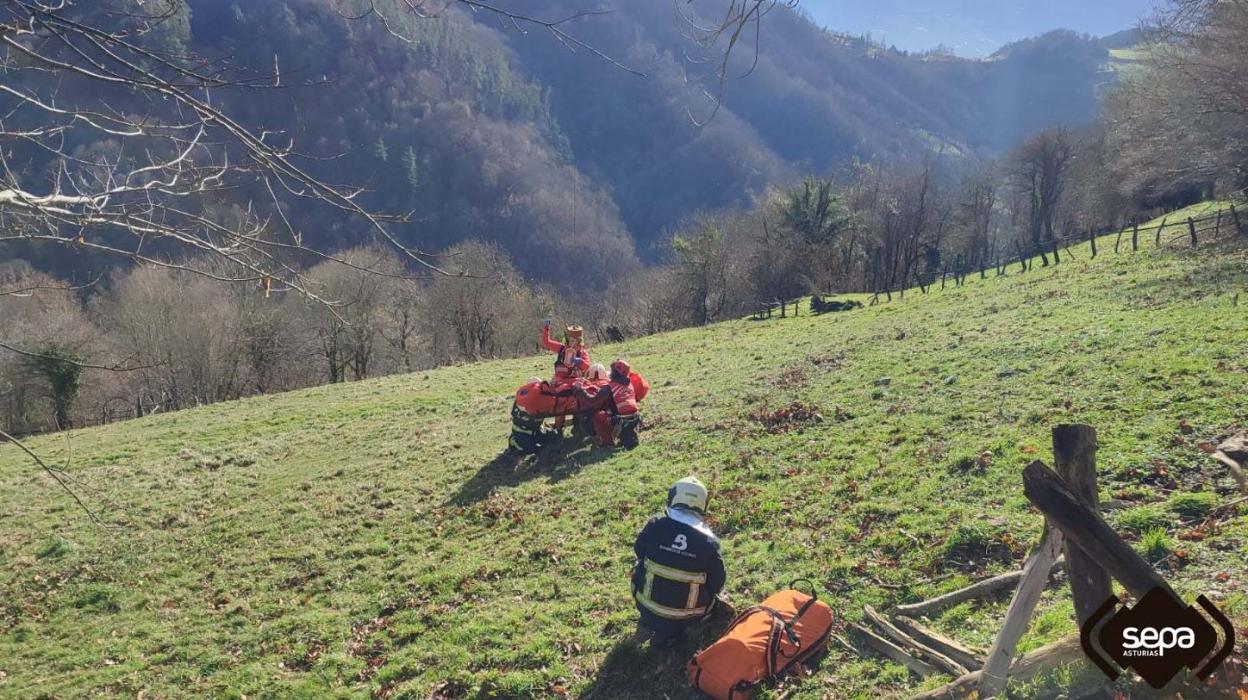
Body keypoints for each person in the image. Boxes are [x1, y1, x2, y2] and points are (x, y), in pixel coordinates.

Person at [631, 477, 726, 647]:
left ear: (673, 497)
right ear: (703, 504)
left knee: (638, 565)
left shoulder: (655, 526)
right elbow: (717, 582)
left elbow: (639, 551)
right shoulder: (709, 542)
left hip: (647, 611)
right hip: (689, 619)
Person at [591, 359, 640, 449]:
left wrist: (580, 391)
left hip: (620, 420)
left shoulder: (609, 387)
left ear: (615, 372)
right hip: (635, 417)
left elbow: (594, 401)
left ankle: (607, 442)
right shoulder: (630, 383)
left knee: (598, 415)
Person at [540, 320, 590, 386]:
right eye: (570, 339)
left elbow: (587, 366)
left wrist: (579, 361)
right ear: (567, 339)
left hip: (574, 381)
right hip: (559, 381)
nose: (572, 342)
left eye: (575, 340)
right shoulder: (561, 348)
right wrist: (546, 328)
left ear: (579, 341)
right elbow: (547, 342)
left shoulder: (582, 352)